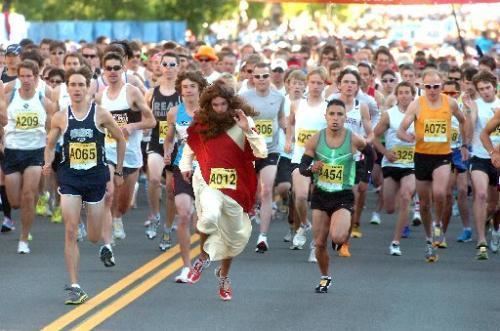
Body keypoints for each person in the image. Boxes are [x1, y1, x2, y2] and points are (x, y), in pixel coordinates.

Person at [43, 66, 126, 304]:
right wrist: (48, 162)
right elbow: (50, 144)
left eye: (81, 85)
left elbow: (120, 139)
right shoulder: (60, 116)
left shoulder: (100, 114)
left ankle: (101, 244)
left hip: (95, 178)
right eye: (73, 85)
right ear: (67, 88)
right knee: (70, 229)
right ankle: (75, 286)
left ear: (89, 87)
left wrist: (118, 170)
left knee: (92, 236)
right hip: (70, 177)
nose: (77, 89)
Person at [179, 82, 267, 301]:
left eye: (223, 104)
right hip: (208, 180)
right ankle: (203, 256)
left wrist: (248, 130)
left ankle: (223, 276)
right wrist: (185, 166)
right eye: (215, 105)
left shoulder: (243, 122)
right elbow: (191, 147)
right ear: (209, 105)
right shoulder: (202, 122)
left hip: (236, 184)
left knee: (232, 234)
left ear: (231, 104)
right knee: (209, 216)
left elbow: (262, 151)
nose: (219, 109)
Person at [298, 99, 373, 293]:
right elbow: (303, 167)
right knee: (319, 243)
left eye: (340, 114)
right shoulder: (315, 140)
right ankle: (325, 277)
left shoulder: (354, 139)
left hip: (343, 195)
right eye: (332, 114)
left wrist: (366, 177)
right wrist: (311, 168)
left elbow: (371, 154)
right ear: (326, 116)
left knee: (339, 237)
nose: (335, 118)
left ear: (345, 118)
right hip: (321, 195)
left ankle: (340, 232)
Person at [398, 69, 467, 262]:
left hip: (443, 155)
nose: (432, 90)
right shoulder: (417, 104)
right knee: (425, 203)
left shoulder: (450, 103)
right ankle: (429, 239)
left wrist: (463, 144)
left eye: (436, 86)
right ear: (422, 87)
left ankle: (438, 224)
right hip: (422, 155)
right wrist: (407, 136)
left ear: (441, 86)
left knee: (439, 193)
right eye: (428, 86)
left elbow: (463, 120)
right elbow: (401, 129)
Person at [95, 52, 156, 241]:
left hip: (131, 154)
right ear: (103, 71)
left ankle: (117, 217)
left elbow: (151, 121)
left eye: (116, 68)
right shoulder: (100, 97)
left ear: (123, 69)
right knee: (109, 194)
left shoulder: (132, 92)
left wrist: (133, 126)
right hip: (109, 152)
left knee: (124, 204)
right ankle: (108, 237)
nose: (112, 72)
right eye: (108, 68)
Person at [0, 60, 55, 253]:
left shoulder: (44, 101)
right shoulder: (9, 96)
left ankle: (24, 239)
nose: (25, 80)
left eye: (28, 76)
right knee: (15, 202)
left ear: (35, 77)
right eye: (21, 76)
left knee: (28, 196)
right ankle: (24, 203)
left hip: (35, 152)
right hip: (13, 152)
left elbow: (52, 130)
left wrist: (49, 151)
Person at [164, 71, 208, 282]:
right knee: (183, 214)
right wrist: (166, 151)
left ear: (200, 89)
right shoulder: (174, 112)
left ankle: (203, 255)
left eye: (192, 86)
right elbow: (169, 138)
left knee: (201, 223)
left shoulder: (209, 112)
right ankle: (186, 266)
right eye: (185, 87)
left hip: (206, 170)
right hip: (183, 168)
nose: (188, 90)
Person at [240, 62, 285, 253]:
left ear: (270, 77)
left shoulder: (279, 97)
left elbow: (281, 119)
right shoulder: (243, 98)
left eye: (265, 76)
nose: (261, 80)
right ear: (252, 78)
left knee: (267, 189)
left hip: (270, 149)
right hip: (248, 150)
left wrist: (290, 138)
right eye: (257, 76)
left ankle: (263, 237)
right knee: (247, 193)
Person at [285, 67, 327, 257]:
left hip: (322, 160)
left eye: (320, 83)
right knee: (300, 196)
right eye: (313, 82)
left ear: (324, 84)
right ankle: (304, 223)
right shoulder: (296, 104)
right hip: (300, 157)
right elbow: (291, 123)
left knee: (319, 205)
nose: (316, 86)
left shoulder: (328, 107)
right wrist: (288, 140)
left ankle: (315, 246)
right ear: (307, 83)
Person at [373, 82, 416, 255]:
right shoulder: (388, 115)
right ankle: (401, 207)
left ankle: (396, 242)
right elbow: (374, 137)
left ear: (413, 95)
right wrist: (385, 152)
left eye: (408, 92)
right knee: (390, 208)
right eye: (401, 93)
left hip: (411, 165)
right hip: (391, 164)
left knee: (406, 196)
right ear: (396, 96)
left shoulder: (419, 115)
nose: (404, 95)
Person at [143, 52, 181, 247]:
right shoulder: (151, 93)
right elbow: (144, 117)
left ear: (178, 67)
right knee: (155, 179)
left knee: (172, 191)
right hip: (157, 142)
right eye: (164, 64)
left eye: (172, 64)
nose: (168, 67)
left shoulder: (184, 92)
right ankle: (155, 215)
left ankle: (167, 229)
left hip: (178, 145)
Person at [463, 70, 499, 260]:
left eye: (488, 88)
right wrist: (469, 112)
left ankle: (490, 224)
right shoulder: (474, 105)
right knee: (481, 194)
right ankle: (481, 240)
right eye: (481, 89)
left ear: (495, 86)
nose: (485, 92)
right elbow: (468, 134)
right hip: (480, 157)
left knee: (493, 206)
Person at [441, 80, 471, 244]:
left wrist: (465, 145)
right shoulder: (435, 107)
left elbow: (466, 126)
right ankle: (440, 231)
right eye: (446, 93)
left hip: (458, 151)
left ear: (458, 94)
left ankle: (467, 228)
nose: (449, 96)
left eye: (453, 93)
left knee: (462, 191)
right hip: (441, 153)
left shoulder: (461, 108)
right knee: (445, 194)